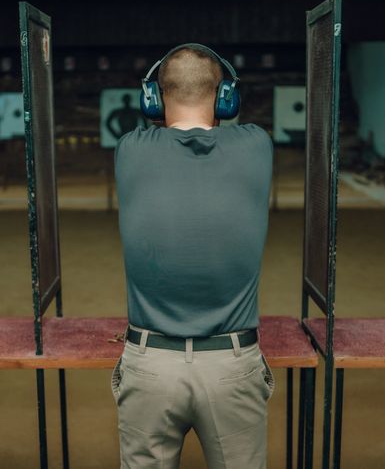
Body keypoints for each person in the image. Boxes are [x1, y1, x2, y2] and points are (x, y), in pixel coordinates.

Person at [112, 43, 274, 469]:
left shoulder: (130, 149)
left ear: (153, 97)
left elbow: (165, 131)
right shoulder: (257, 146)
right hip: (232, 366)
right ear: (226, 98)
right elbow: (221, 130)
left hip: (150, 367)